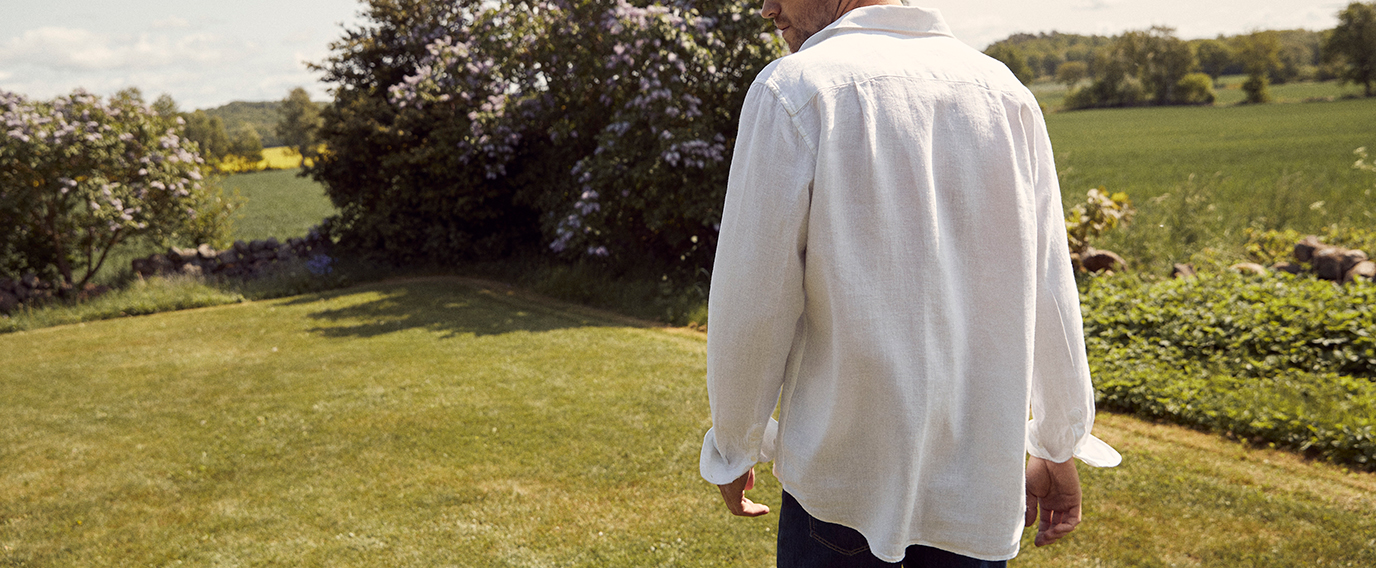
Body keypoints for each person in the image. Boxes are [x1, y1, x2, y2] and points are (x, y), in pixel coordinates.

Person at [697, 0, 1122, 566]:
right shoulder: (1004, 93)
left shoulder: (796, 89)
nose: (767, 7)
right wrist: (1058, 442)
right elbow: (1048, 284)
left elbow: (753, 302)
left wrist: (733, 445)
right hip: (976, 496)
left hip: (844, 493)